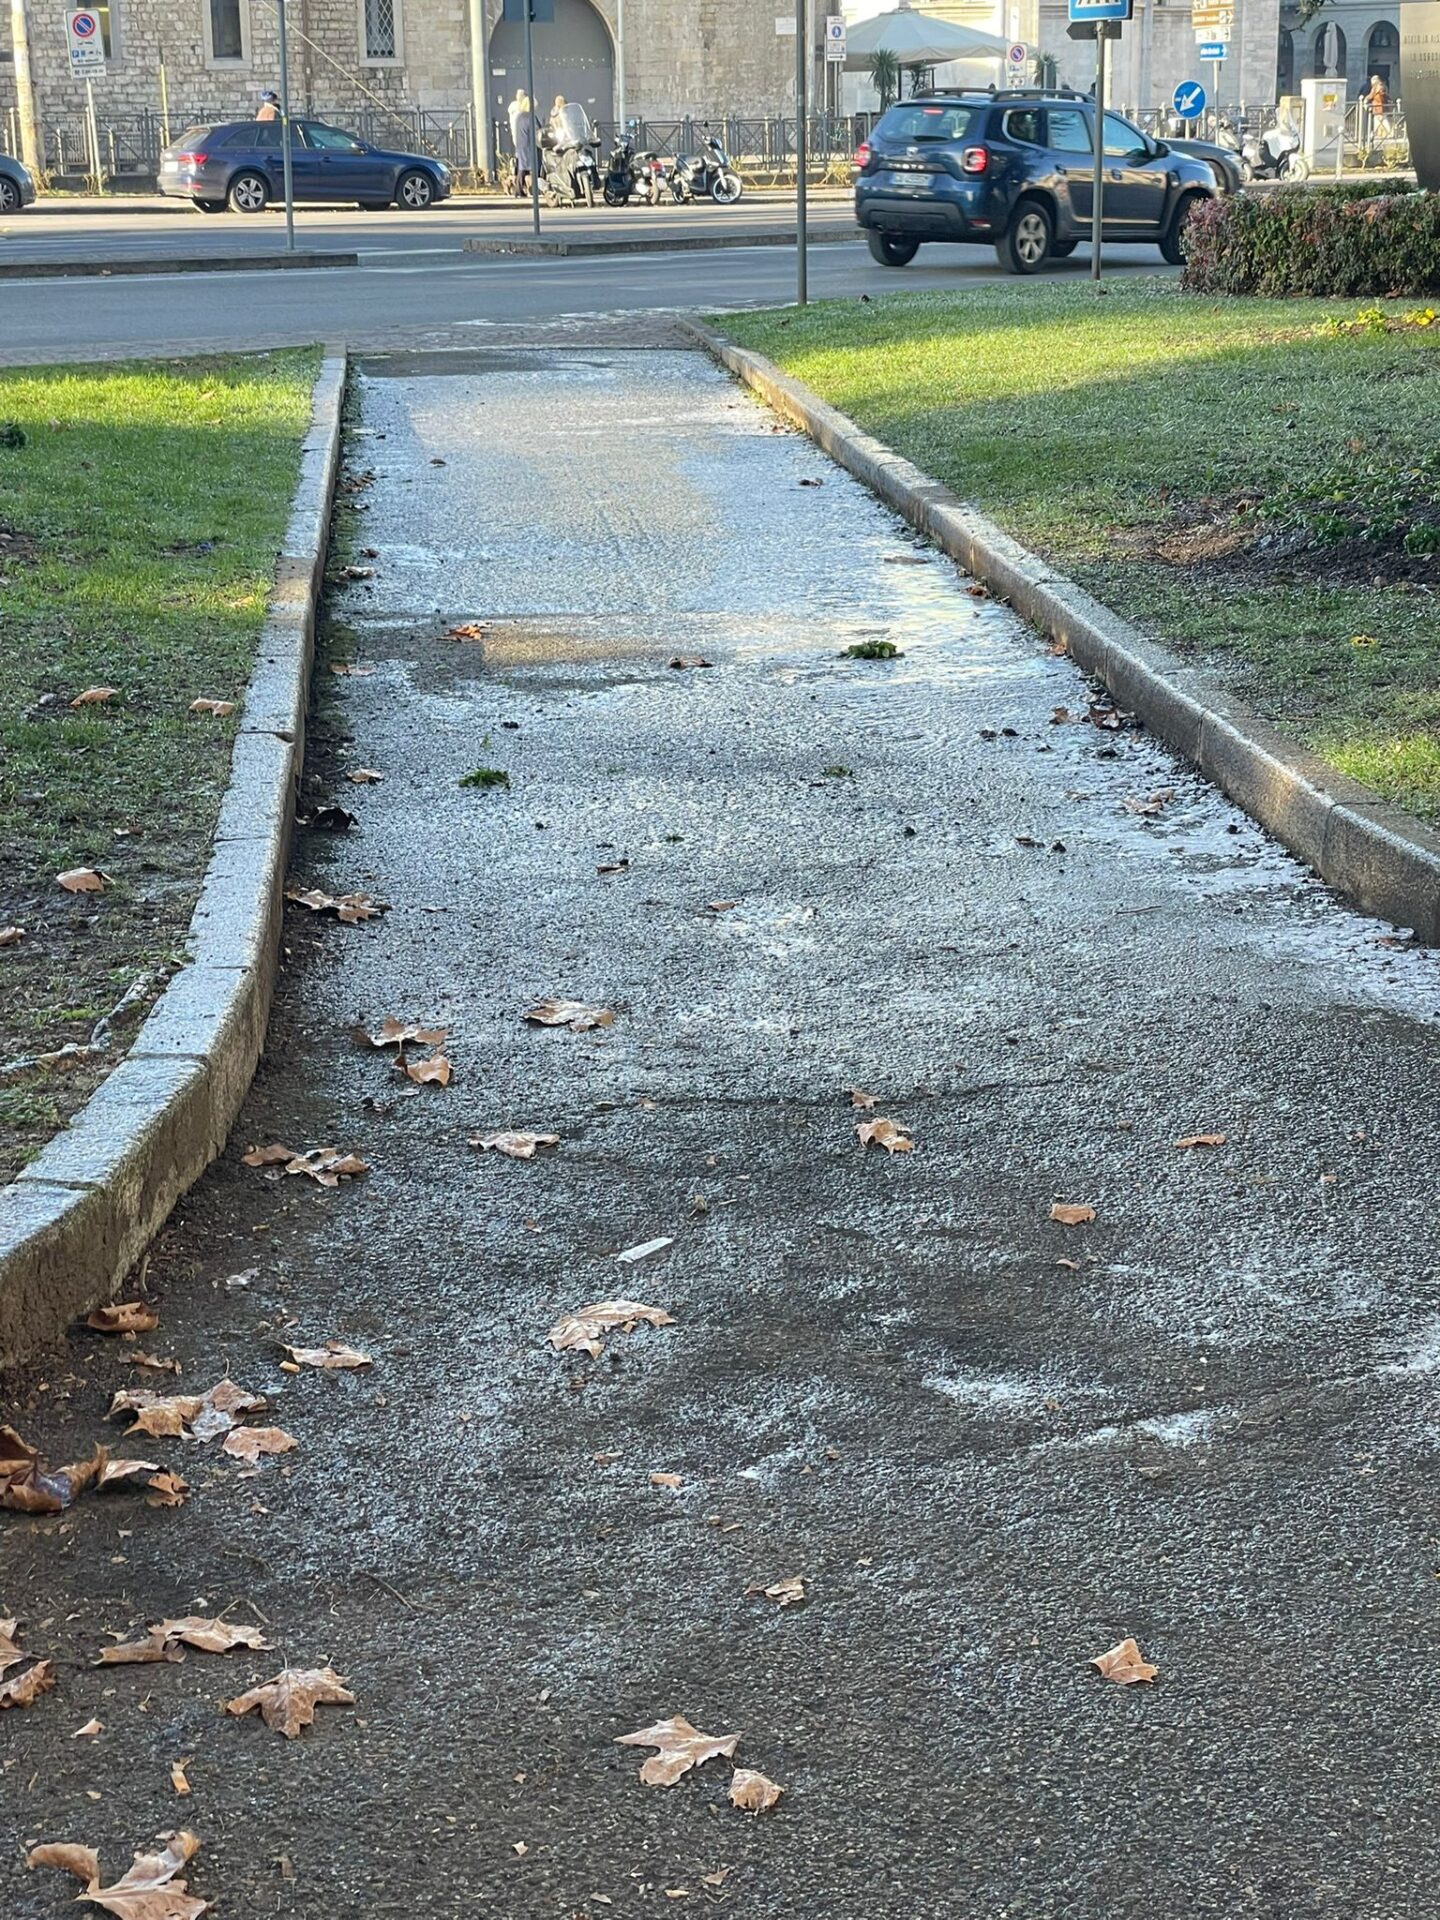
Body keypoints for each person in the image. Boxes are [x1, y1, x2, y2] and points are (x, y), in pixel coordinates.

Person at [513, 94, 535, 200]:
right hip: (528, 144)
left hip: (520, 143)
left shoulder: (519, 116)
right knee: (525, 167)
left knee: (522, 167)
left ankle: (519, 190)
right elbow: (535, 129)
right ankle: (521, 189)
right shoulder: (528, 116)